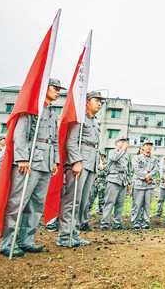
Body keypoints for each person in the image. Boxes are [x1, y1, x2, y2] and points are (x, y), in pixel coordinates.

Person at [0, 78, 63, 257]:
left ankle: (26, 240)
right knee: (18, 202)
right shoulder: (32, 106)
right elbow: (20, 133)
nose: (58, 91)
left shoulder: (51, 111)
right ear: (44, 88)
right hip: (30, 160)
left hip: (46, 162)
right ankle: (8, 242)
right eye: (55, 88)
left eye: (59, 89)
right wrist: (22, 158)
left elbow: (54, 138)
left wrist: (55, 161)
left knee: (36, 204)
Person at [57, 90, 103, 247]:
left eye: (100, 101)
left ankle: (73, 233)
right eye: (97, 100)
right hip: (80, 163)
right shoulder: (79, 118)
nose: (99, 104)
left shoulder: (95, 121)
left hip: (91, 164)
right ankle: (64, 236)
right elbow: (71, 141)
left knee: (82, 202)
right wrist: (76, 161)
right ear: (87, 102)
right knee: (72, 200)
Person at [100, 136, 132, 230]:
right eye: (121, 141)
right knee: (109, 202)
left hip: (123, 180)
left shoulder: (127, 155)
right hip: (113, 179)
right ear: (116, 143)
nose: (123, 143)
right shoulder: (112, 152)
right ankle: (105, 223)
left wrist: (129, 182)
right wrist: (122, 149)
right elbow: (114, 158)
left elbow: (129, 169)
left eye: (125, 142)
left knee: (120, 203)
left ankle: (117, 223)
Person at [130, 140, 158, 229]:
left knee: (147, 204)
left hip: (149, 185)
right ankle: (136, 221)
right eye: (147, 145)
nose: (149, 147)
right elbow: (136, 169)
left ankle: (145, 221)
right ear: (143, 147)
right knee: (137, 204)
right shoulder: (136, 158)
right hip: (139, 184)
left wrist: (149, 175)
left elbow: (156, 169)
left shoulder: (155, 159)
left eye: (150, 145)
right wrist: (145, 175)